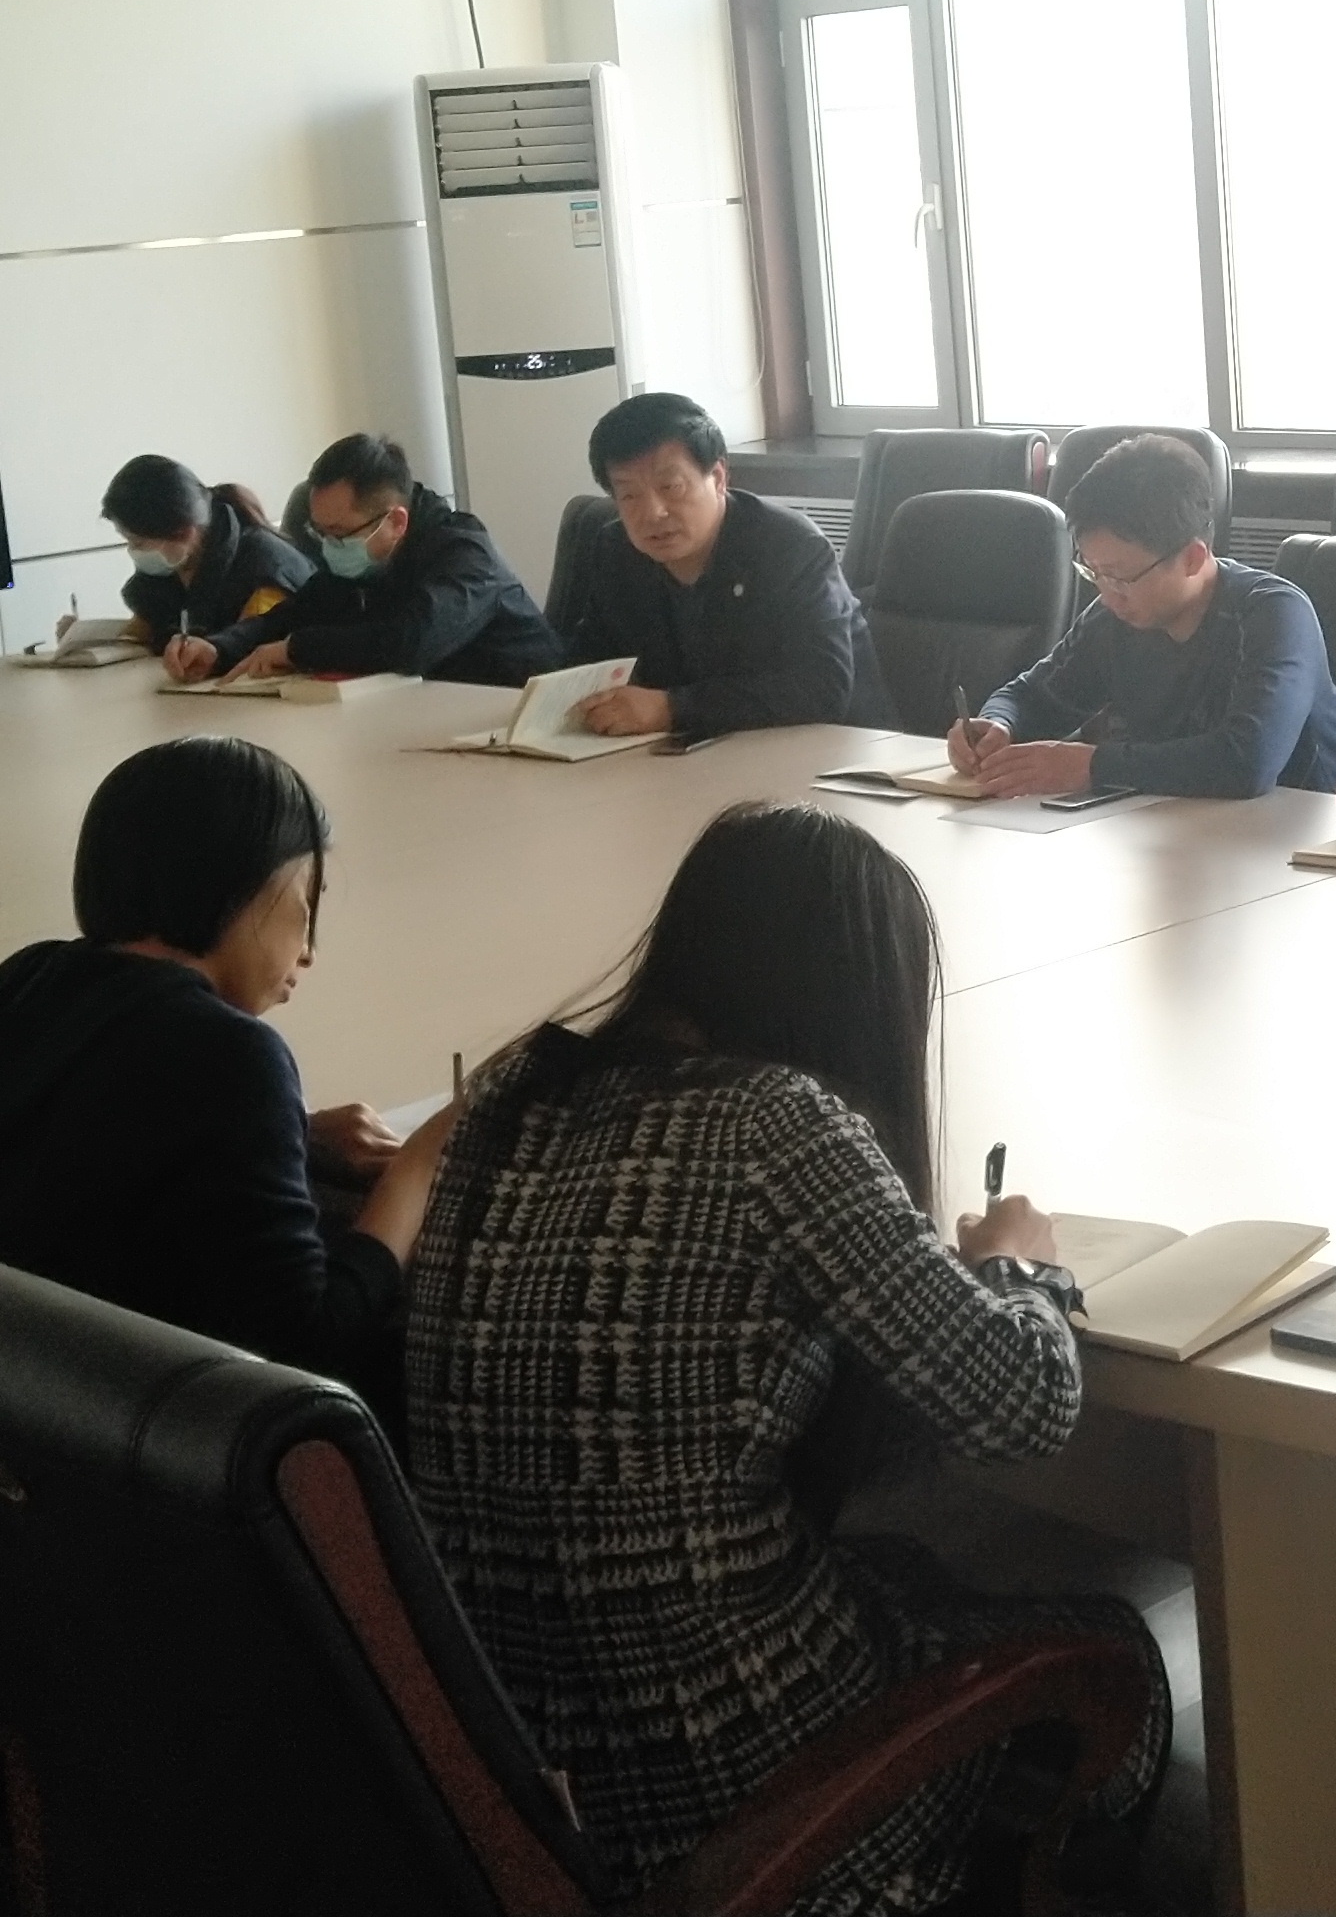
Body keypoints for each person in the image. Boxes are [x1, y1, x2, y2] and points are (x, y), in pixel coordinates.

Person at [401, 803, 1167, 1913]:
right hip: (726, 1788)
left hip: (512, 1760)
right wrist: (1018, 1266)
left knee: (911, 1572)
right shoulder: (777, 1124)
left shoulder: (510, 1098)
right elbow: (1021, 1405)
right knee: (1118, 1652)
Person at [0, 737, 437, 1406]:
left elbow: (109, 1128)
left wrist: (293, 1136)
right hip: (139, 1435)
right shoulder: (232, 1055)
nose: (309, 949)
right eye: (305, 904)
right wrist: (416, 1170)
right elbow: (305, 1351)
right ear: (235, 888)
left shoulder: (21, 987)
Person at [951, 432, 1336, 800]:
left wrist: (1091, 765)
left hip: (1308, 833)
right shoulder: (1115, 616)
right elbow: (1032, 697)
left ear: (1193, 557)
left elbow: (1247, 761)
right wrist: (998, 724)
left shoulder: (1274, 613)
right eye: (1093, 573)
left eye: (1121, 577)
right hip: (1184, 827)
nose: (1107, 594)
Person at [543, 391, 888, 738]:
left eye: (671, 487)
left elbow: (822, 688)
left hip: (838, 750)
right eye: (629, 495)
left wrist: (671, 709)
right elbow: (590, 660)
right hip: (697, 750)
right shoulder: (617, 550)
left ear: (719, 477)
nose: (653, 512)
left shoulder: (790, 547)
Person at [166, 434, 560, 688]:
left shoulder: (465, 554)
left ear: (396, 522)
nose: (328, 546)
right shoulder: (365, 559)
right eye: (320, 532)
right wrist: (219, 648)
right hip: (424, 714)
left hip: (510, 713)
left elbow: (411, 642)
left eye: (339, 533)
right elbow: (293, 615)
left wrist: (295, 649)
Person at [100, 454, 314, 651]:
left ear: (184, 533)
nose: (132, 551)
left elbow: (250, 649)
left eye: (138, 543)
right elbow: (143, 628)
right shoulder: (172, 566)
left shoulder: (263, 568)